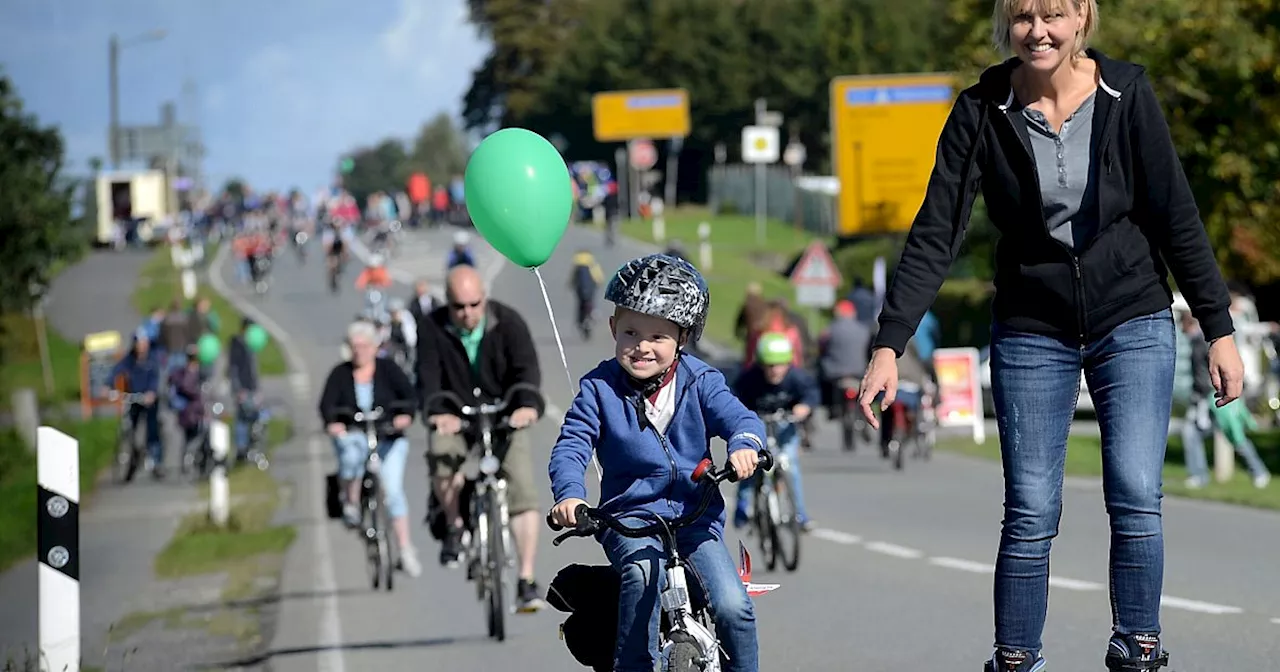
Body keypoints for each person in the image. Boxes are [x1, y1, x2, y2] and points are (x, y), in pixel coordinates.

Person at [855, 2, 1246, 670]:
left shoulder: (1128, 93)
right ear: (1006, 22)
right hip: (1033, 328)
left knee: (1134, 492)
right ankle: (1016, 661)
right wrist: (891, 342)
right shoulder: (981, 109)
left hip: (1134, 316)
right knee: (1032, 507)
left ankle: (1138, 648)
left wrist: (1219, 328)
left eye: (1055, 13)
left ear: (1083, 18)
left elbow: (1175, 212)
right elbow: (935, 233)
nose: (1039, 29)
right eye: (1023, 14)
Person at [548, 253, 766, 672]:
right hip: (629, 521)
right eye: (630, 332)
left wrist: (744, 445)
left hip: (695, 519)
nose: (642, 346)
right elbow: (572, 443)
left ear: (683, 338)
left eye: (657, 336)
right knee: (642, 576)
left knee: (732, 604)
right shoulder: (598, 389)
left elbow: (741, 419)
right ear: (612, 328)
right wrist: (569, 496)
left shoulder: (702, 381)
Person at [417, 265, 546, 610]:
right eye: (459, 307)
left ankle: (527, 580)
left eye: (474, 305)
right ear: (448, 303)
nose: (467, 313)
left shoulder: (508, 322)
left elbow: (528, 371)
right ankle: (456, 527)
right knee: (442, 458)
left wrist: (527, 406)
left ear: (484, 299)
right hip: (456, 418)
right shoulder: (431, 327)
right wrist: (437, 413)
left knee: (522, 488)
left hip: (504, 416)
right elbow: (426, 377)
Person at [319, 320, 423, 577]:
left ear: (375, 347)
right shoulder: (340, 374)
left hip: (387, 436)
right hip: (355, 434)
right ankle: (351, 502)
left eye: (364, 346)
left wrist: (404, 416)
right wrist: (335, 424)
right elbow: (327, 405)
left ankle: (405, 548)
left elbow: (409, 396)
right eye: (354, 346)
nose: (359, 351)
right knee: (351, 456)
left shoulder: (388, 370)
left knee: (393, 490)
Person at [731, 332, 817, 531]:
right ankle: (743, 507)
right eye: (769, 365)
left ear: (788, 363)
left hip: (785, 425)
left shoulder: (797, 377)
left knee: (791, 466)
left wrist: (804, 407)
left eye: (780, 365)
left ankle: (800, 514)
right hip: (758, 425)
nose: (775, 371)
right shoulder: (749, 378)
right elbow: (733, 398)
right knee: (750, 464)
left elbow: (811, 393)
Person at [1179, 311, 1271, 489]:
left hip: (1212, 397)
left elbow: (1206, 372)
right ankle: (1199, 475)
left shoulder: (1201, 342)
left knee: (1234, 435)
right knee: (1193, 434)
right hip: (1208, 397)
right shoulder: (1199, 341)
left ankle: (1258, 471)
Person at [105, 330, 165, 478]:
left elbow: (156, 378)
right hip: (135, 398)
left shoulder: (152, 360)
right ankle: (132, 454)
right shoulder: (130, 359)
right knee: (131, 427)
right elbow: (116, 370)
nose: (141, 347)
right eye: (139, 344)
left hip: (149, 400)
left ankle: (156, 462)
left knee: (152, 430)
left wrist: (151, 392)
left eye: (143, 343)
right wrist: (108, 386)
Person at [817, 299, 871, 416]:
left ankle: (829, 409)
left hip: (834, 372)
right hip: (858, 372)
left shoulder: (830, 329)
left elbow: (821, 347)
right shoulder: (864, 330)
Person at [227, 319, 262, 462]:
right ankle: (241, 450)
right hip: (242, 388)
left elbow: (254, 370)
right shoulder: (237, 345)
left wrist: (258, 388)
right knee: (242, 418)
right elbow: (233, 369)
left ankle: (251, 447)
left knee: (253, 417)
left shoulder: (251, 346)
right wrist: (238, 389)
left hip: (251, 387)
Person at [568, 247, 604, 329]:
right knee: (591, 300)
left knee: (580, 303)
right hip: (591, 284)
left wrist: (570, 283)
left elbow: (573, 274)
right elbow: (597, 273)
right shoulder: (591, 260)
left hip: (580, 287)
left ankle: (580, 320)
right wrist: (599, 281)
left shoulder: (577, 260)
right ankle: (593, 312)